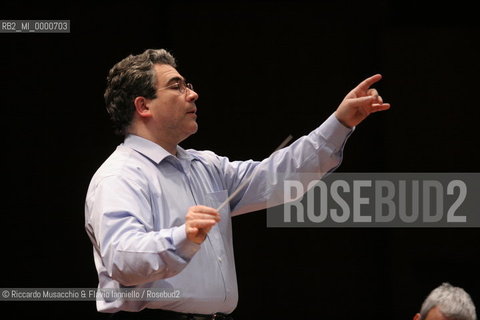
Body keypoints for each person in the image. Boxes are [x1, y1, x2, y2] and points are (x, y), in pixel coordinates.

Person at [84, 48, 390, 319]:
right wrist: (183, 236)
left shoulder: (205, 165)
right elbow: (123, 259)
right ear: (143, 106)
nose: (192, 94)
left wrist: (340, 122)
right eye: (176, 86)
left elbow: (278, 178)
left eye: (187, 85)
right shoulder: (120, 176)